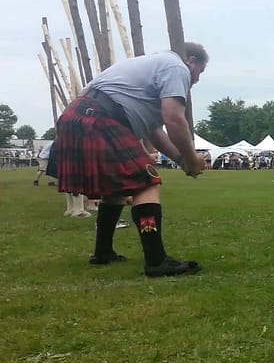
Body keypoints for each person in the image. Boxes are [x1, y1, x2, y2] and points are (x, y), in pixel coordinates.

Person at [49, 43, 209, 277]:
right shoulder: (177, 67)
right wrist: (193, 159)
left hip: (77, 116)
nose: (196, 80)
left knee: (116, 190)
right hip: (102, 118)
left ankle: (103, 252)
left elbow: (155, 130)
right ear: (192, 61)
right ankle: (156, 261)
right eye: (199, 73)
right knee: (145, 182)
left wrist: (181, 161)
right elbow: (174, 119)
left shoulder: (147, 68)